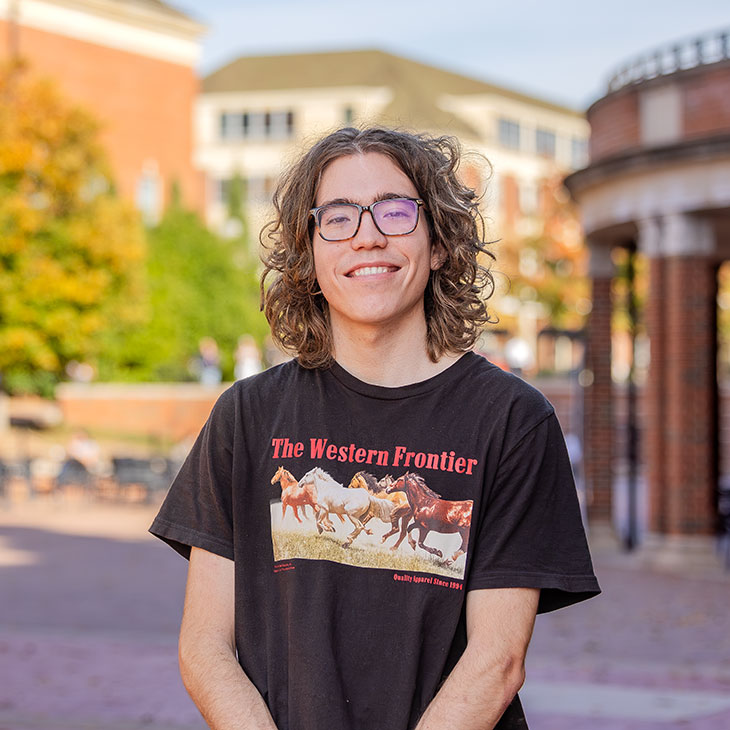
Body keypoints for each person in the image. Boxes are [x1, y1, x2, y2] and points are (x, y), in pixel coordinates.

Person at [150, 127, 600, 730]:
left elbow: (497, 662)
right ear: (309, 254)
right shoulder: (247, 415)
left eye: (395, 211)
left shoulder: (512, 421)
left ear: (439, 243)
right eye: (337, 217)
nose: (368, 235)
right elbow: (204, 649)